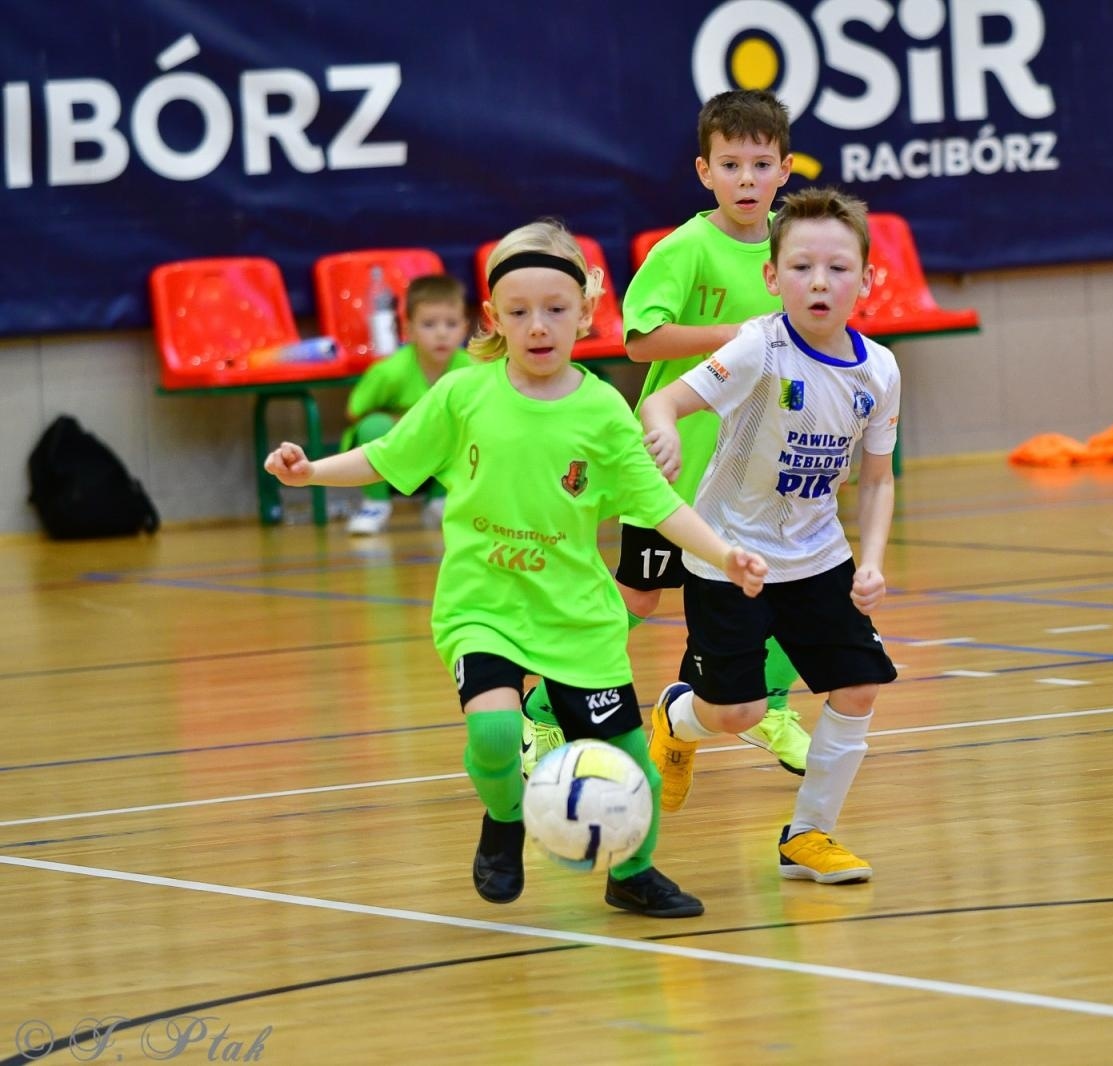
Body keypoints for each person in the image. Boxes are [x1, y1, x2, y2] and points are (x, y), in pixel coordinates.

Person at [265, 220, 768, 918]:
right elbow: (388, 458)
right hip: (484, 603)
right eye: (520, 311)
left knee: (633, 768)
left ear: (586, 313)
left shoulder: (602, 412)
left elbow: (657, 505)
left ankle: (634, 873)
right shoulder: (463, 396)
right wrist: (312, 472)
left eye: (556, 310)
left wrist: (722, 554)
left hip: (575, 617)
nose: (538, 326)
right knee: (496, 732)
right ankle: (504, 819)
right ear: (492, 317)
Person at [520, 89, 812, 778]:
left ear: (786, 168)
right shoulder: (686, 249)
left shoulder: (796, 246)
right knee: (641, 595)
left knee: (792, 589)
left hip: (765, 464)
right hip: (679, 462)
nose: (747, 178)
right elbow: (641, 339)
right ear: (704, 171)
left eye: (761, 164)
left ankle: (766, 707)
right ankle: (546, 709)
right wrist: (740, 337)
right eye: (731, 164)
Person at [639, 187, 899, 884]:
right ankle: (677, 718)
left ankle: (807, 835)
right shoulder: (758, 348)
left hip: (820, 558)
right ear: (772, 277)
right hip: (732, 555)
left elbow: (876, 480)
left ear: (867, 280)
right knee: (736, 712)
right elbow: (665, 397)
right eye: (802, 267)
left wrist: (870, 562)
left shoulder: (880, 370)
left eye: (839, 268)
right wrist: (662, 427)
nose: (820, 282)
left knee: (858, 689)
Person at [342, 274, 475, 535]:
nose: (441, 333)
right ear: (409, 329)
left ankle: (442, 499)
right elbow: (353, 413)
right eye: (429, 324)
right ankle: (375, 504)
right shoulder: (390, 372)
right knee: (373, 425)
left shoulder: (471, 368)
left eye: (451, 324)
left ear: (464, 328)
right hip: (393, 455)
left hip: (439, 458)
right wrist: (402, 422)